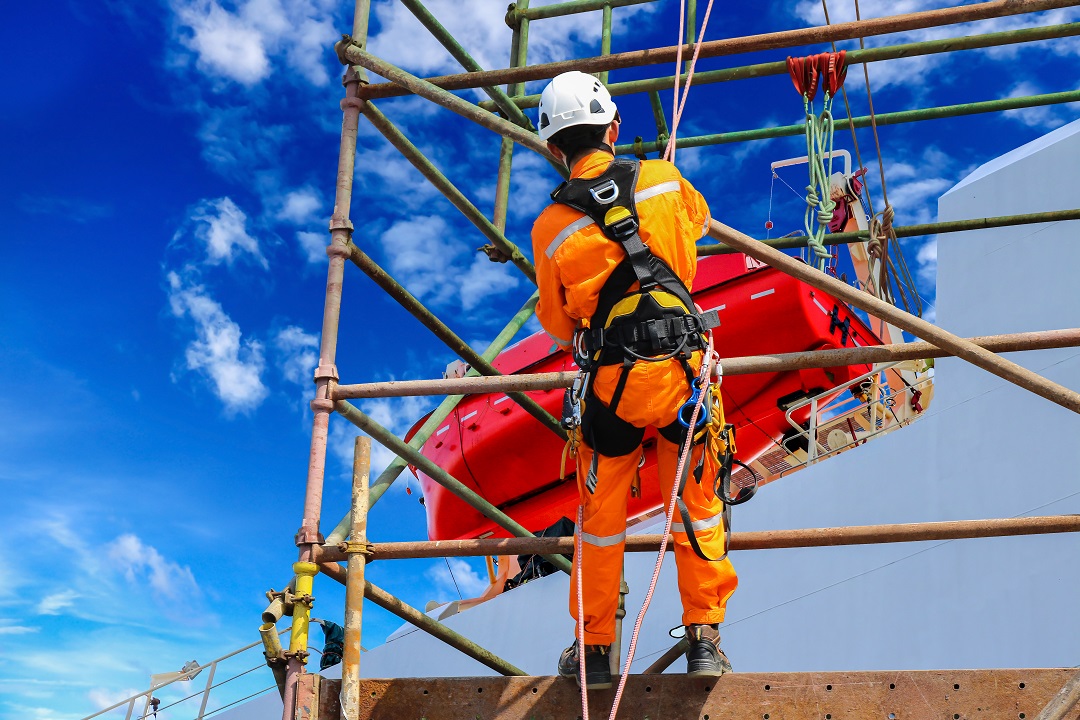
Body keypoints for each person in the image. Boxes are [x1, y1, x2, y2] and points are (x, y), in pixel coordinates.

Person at [530, 71, 739, 689]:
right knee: (697, 506)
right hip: (685, 376)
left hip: (612, 387)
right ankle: (703, 638)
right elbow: (697, 228)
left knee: (598, 521)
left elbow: (556, 323)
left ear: (552, 148)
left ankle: (594, 652)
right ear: (614, 129)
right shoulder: (664, 181)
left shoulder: (550, 227)